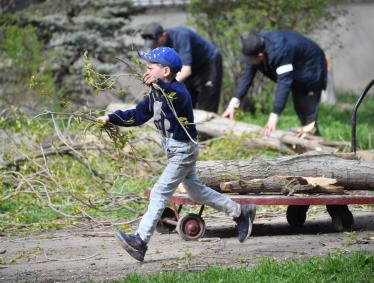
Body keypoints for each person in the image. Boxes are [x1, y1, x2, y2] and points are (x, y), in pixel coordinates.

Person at [97, 47, 256, 262]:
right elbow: (137, 115)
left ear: (165, 71)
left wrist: (159, 84)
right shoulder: (155, 93)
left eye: (150, 67)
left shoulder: (178, 92)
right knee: (196, 193)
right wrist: (111, 118)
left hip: (183, 150)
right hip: (175, 150)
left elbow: (174, 99)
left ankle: (140, 241)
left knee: (160, 192)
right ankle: (240, 212)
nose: (146, 70)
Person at [222, 31, 327, 136]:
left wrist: (274, 116)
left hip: (312, 69)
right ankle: (310, 144)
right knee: (301, 111)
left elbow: (284, 83)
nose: (248, 61)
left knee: (307, 116)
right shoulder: (255, 48)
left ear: (261, 55)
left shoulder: (280, 52)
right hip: (298, 67)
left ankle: (318, 148)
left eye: (250, 59)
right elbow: (247, 77)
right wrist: (233, 104)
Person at [141, 22, 222, 113]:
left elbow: (186, 70)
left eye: (156, 43)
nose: (156, 47)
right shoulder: (157, 44)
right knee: (186, 103)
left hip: (208, 63)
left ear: (164, 35)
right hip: (189, 66)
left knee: (206, 106)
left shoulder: (181, 36)